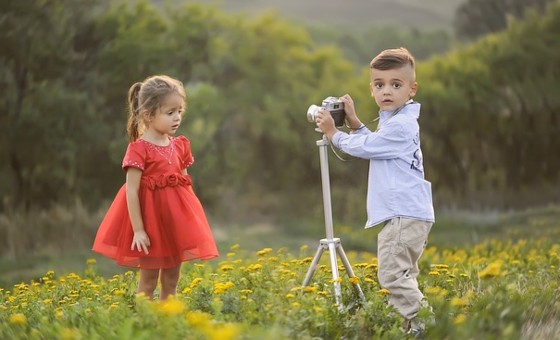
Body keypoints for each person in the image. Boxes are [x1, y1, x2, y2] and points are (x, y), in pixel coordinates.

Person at [315, 47, 435, 334]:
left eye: (396, 85)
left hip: (402, 215)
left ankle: (428, 327)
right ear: (371, 89)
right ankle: (411, 328)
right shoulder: (394, 120)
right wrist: (355, 123)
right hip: (410, 213)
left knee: (393, 277)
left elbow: (368, 148)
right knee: (404, 276)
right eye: (379, 85)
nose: (387, 91)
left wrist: (334, 133)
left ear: (412, 89)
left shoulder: (402, 125)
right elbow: (376, 145)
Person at [93, 75, 219, 300]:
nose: (177, 117)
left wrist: (190, 223)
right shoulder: (139, 149)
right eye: (170, 113)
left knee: (171, 279)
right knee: (148, 281)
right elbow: (131, 191)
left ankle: (167, 321)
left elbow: (185, 185)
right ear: (148, 115)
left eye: (180, 111)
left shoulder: (180, 145)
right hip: (150, 226)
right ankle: (146, 324)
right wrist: (139, 230)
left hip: (174, 224)